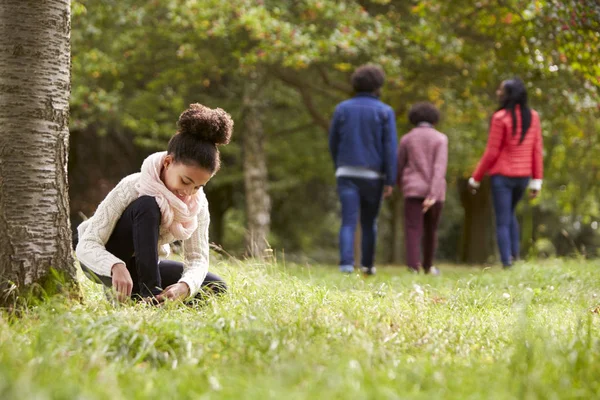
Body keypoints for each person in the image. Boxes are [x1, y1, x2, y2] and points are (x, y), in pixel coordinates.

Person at [75, 103, 233, 303]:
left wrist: (184, 287)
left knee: (216, 287)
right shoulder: (133, 186)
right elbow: (87, 245)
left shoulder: (197, 203)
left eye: (198, 186)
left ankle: (142, 297)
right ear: (168, 162)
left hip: (143, 267)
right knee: (148, 205)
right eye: (185, 181)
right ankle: (148, 295)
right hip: (103, 259)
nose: (188, 192)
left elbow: (197, 260)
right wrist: (115, 266)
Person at [329, 64, 398, 275]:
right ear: (378, 85)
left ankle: (346, 265)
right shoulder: (385, 112)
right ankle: (367, 266)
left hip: (346, 172)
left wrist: (339, 164)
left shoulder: (342, 108)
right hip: (373, 175)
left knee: (348, 220)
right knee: (369, 222)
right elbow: (390, 147)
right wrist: (390, 180)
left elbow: (333, 141)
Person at [469, 78, 543, 268]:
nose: (498, 93)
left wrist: (476, 177)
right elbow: (536, 150)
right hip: (523, 177)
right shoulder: (533, 117)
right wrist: (536, 181)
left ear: (509, 94)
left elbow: (492, 152)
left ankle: (506, 262)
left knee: (502, 219)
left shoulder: (500, 118)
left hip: (502, 177)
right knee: (510, 214)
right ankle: (515, 256)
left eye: (501, 90)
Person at [397, 102, 448, 275]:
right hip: (436, 192)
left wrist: (400, 185)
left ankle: (412, 267)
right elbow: (439, 168)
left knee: (412, 229)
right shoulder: (441, 139)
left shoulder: (407, 139)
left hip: (412, 190)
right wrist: (433, 194)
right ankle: (428, 266)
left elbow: (400, 165)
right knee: (431, 230)